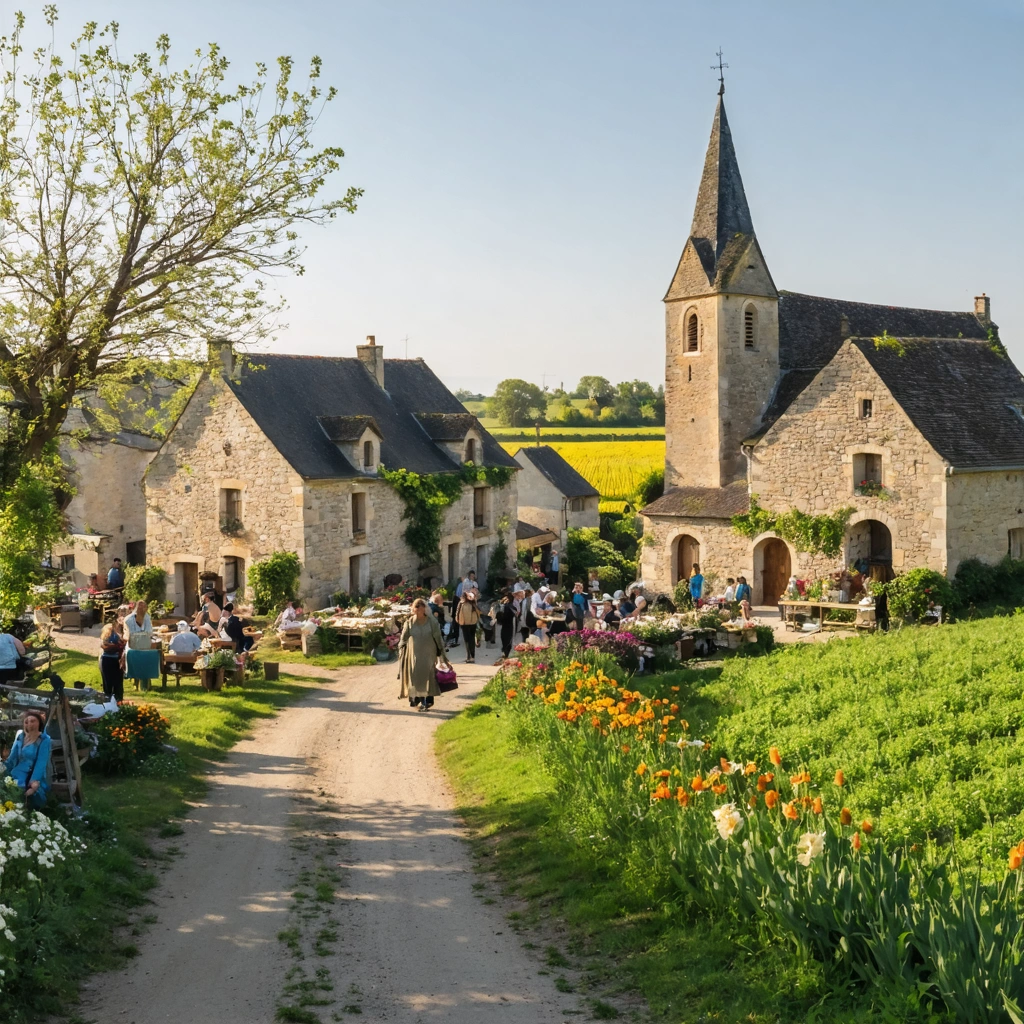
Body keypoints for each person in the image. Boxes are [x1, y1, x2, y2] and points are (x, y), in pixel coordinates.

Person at [398, 597, 449, 711]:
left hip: (429, 653)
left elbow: (437, 636)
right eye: (416, 609)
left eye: (421, 609)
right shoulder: (409, 623)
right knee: (415, 676)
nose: (419, 612)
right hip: (415, 654)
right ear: (414, 610)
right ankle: (416, 699)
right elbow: (404, 637)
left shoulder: (432, 622)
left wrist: (440, 650)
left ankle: (427, 701)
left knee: (429, 676)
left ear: (425, 609)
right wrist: (400, 648)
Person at [3, 710, 51, 809]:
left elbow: (41, 762)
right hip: (16, 771)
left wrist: (34, 781)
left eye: (33, 721)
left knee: (18, 788)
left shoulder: (44, 740)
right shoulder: (21, 737)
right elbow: (12, 757)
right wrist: (3, 766)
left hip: (31, 774)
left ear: (39, 722)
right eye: (26, 722)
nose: (29, 724)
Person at [124, 599, 158, 692]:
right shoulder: (128, 620)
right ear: (136, 608)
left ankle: (146, 684)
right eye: (140, 607)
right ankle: (135, 681)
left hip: (145, 644)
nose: (142, 609)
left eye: (144, 607)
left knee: (147, 660)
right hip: (133, 645)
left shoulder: (147, 617)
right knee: (135, 661)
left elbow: (149, 632)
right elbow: (130, 633)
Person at [98, 622, 126, 701]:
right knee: (114, 683)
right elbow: (105, 646)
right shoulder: (114, 636)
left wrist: (114, 646)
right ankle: (115, 700)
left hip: (110, 660)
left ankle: (111, 700)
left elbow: (105, 646)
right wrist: (116, 646)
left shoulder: (112, 636)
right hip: (112, 660)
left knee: (110, 683)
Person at [455, 590, 481, 663]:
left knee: (470, 640)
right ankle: (469, 657)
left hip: (471, 623)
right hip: (465, 624)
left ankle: (471, 657)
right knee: (467, 640)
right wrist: (458, 621)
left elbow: (478, 612)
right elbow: (457, 612)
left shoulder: (472, 603)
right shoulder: (462, 603)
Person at [495, 591, 517, 659]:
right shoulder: (511, 606)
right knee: (507, 639)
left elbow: (505, 616)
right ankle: (506, 653)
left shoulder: (507, 606)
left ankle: (506, 654)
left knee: (505, 639)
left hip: (506, 625)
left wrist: (499, 617)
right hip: (509, 625)